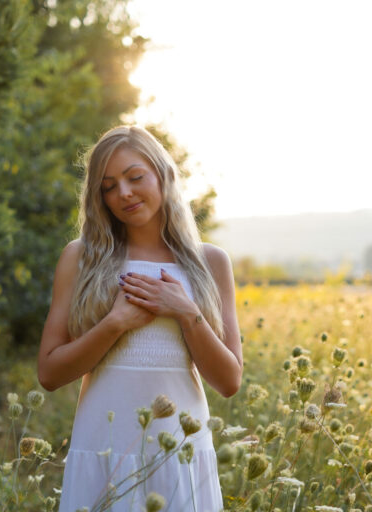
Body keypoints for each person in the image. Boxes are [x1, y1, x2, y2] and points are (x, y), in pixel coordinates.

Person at [37, 125, 242, 512]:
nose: (124, 193)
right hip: (104, 449)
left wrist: (186, 311)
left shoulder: (211, 262)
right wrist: (114, 323)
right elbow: (49, 374)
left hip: (179, 452)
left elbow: (229, 381)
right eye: (108, 186)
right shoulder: (80, 258)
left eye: (135, 177)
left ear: (163, 175)